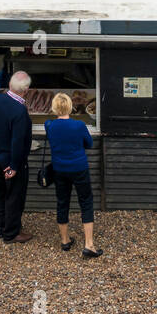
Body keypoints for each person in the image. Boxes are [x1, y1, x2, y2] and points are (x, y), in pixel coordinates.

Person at [45, 93, 101, 258]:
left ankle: (65, 240)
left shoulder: (49, 125)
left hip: (59, 169)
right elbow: (89, 144)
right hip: (79, 168)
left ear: (55, 108)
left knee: (62, 202)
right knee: (86, 202)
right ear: (70, 106)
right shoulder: (79, 125)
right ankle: (89, 245)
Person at [0, 71, 33, 243]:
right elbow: (17, 142)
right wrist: (13, 166)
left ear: (10, 85)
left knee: (1, 195)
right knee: (14, 196)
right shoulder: (20, 111)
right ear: (26, 89)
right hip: (12, 161)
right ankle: (12, 233)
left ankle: (2, 229)